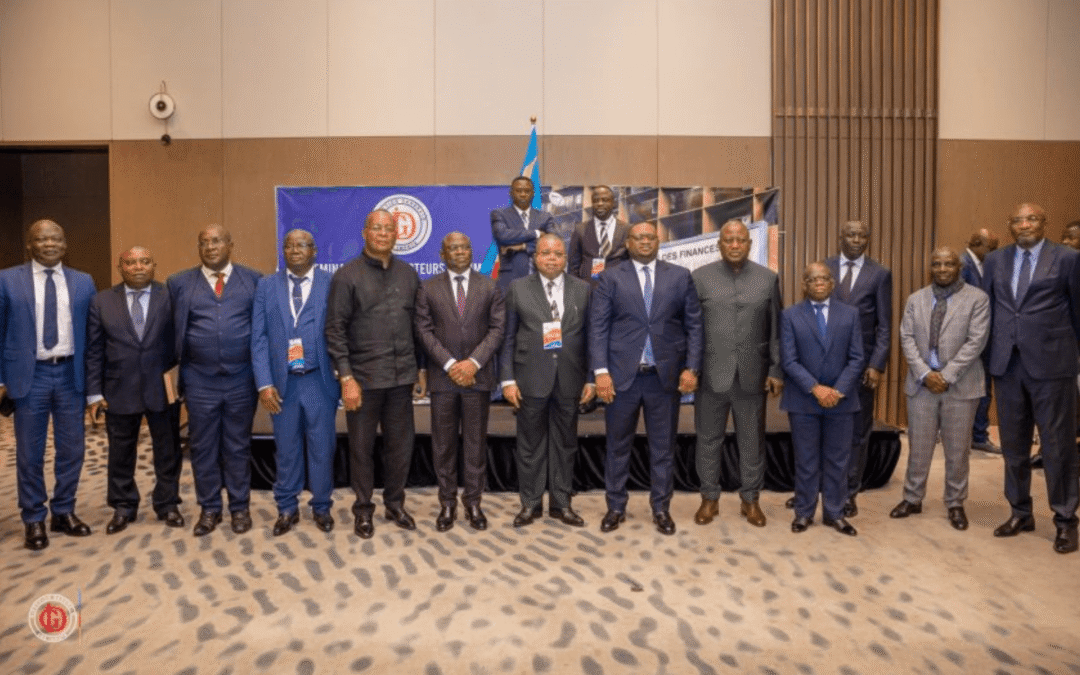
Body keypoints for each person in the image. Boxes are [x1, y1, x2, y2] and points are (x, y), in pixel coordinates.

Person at [591, 221, 702, 535]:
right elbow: (598, 328)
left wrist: (692, 368)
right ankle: (615, 507)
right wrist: (600, 372)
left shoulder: (680, 276)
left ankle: (661, 508)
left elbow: (695, 326)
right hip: (621, 378)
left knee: (663, 449)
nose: (644, 242)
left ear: (658, 241)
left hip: (664, 379)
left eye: (650, 237)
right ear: (628, 243)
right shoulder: (610, 277)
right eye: (638, 237)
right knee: (617, 447)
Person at [982, 203, 1080, 554]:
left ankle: (1065, 519)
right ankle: (1020, 512)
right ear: (1010, 225)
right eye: (1018, 220)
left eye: (1032, 219)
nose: (1025, 225)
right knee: (1013, 445)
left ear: (1044, 223)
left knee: (1057, 446)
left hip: (1052, 366)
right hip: (1007, 365)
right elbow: (990, 309)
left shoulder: (1067, 258)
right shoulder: (995, 260)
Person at [326, 209, 426, 539]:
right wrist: (346, 378)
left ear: (396, 235)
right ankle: (363, 509)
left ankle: (395, 504)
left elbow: (418, 327)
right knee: (361, 450)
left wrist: (420, 369)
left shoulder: (408, 274)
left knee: (401, 448)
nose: (383, 233)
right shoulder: (346, 276)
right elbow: (335, 330)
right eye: (377, 228)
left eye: (388, 229)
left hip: (401, 379)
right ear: (365, 232)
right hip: (363, 380)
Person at [0, 220, 96, 550]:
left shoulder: (84, 281)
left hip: (71, 374)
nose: (49, 244)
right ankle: (33, 517)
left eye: (56, 238)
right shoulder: (7, 279)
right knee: (30, 453)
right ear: (30, 245)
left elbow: (92, 335)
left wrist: (94, 384)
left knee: (73, 449)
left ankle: (64, 511)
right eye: (41, 239)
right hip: (31, 376)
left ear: (65, 244)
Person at [168, 224, 262, 537]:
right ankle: (209, 508)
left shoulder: (253, 280)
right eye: (204, 242)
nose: (210, 247)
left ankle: (239, 508)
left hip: (241, 379)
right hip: (199, 380)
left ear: (230, 245)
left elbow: (262, 331)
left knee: (237, 446)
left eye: (217, 241)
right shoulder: (179, 283)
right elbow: (170, 331)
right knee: (203, 447)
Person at [692, 220, 782, 528]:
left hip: (752, 376)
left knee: (752, 442)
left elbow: (776, 329)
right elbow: (692, 329)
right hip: (710, 375)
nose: (734, 245)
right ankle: (709, 498)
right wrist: (690, 369)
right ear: (719, 244)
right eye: (728, 240)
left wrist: (775, 368)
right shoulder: (700, 278)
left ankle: (751, 500)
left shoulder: (768, 279)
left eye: (740, 240)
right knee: (708, 440)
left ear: (749, 244)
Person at [86, 246, 183, 534]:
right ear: (120, 267)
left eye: (144, 261)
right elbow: (94, 350)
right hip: (118, 388)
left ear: (154, 265)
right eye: (130, 262)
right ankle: (123, 505)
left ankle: (167, 503)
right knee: (120, 452)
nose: (138, 267)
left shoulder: (171, 296)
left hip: (162, 387)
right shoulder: (101, 301)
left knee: (168, 450)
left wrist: (183, 381)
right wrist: (94, 393)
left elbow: (182, 341)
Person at [891, 247, 989, 530]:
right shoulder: (916, 299)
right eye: (937, 264)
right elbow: (907, 337)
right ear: (930, 267)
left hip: (961, 384)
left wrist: (945, 375)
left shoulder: (977, 299)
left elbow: (976, 341)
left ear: (959, 267)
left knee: (957, 451)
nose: (943, 269)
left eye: (949, 264)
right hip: (921, 385)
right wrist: (925, 374)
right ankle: (912, 498)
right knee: (918, 447)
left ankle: (955, 503)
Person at [501, 234, 595, 527]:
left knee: (565, 445)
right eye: (546, 253)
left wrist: (591, 378)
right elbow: (507, 338)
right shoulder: (517, 288)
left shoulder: (583, 289)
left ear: (565, 258)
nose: (552, 258)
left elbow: (592, 338)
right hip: (530, 378)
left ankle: (561, 504)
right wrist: (507, 380)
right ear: (535, 257)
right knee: (530, 445)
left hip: (570, 378)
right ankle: (530, 505)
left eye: (558, 253)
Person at [415, 232, 505, 532]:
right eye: (453, 248)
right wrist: (451, 364)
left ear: (471, 251)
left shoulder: (489, 286)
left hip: (477, 378)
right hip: (444, 379)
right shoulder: (427, 288)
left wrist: (472, 363)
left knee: (475, 444)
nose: (460, 252)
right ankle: (447, 503)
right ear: (443, 255)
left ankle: (473, 502)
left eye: (465, 247)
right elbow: (424, 331)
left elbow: (497, 329)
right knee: (443, 445)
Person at [251, 229, 339, 536]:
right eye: (288, 245)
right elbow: (259, 338)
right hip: (282, 384)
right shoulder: (266, 286)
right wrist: (264, 383)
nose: (294, 250)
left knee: (322, 448)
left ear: (314, 251)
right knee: (286, 449)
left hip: (319, 381)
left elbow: (342, 331)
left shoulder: (332, 283)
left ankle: (322, 506)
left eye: (301, 245)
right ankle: (287, 507)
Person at [780, 263, 864, 536]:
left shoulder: (850, 314)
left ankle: (835, 514)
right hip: (803, 400)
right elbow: (789, 360)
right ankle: (804, 513)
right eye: (812, 279)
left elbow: (857, 358)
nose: (819, 283)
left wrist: (837, 390)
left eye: (824, 278)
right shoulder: (790, 315)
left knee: (838, 461)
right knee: (806, 460)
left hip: (841, 400)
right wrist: (816, 389)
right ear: (804, 285)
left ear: (832, 283)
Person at [825, 220, 892, 517]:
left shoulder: (880, 274)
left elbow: (885, 326)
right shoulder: (824, 267)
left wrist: (876, 364)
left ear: (868, 239)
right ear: (841, 237)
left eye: (862, 235)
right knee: (823, 429)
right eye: (851, 234)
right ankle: (820, 487)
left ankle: (849, 492)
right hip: (825, 365)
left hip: (862, 367)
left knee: (856, 432)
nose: (856, 240)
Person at [960, 228, 1000, 453]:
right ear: (976, 242)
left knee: (983, 389)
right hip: (971, 340)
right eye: (991, 249)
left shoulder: (983, 264)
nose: (993, 254)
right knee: (977, 389)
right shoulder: (961, 264)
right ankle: (976, 436)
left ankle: (978, 435)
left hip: (984, 338)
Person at [491, 176, 555, 293]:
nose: (523, 194)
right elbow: (502, 235)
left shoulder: (545, 217)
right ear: (511, 193)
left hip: (540, 279)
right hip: (510, 280)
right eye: (519, 190)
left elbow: (552, 243)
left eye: (527, 191)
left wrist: (523, 246)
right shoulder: (499, 214)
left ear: (533, 193)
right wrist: (536, 233)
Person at [568, 185, 630, 286]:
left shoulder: (626, 229)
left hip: (618, 288)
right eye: (596, 200)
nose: (600, 204)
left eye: (605, 200)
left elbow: (631, 263)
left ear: (613, 203)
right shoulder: (580, 230)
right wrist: (576, 291)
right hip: (589, 289)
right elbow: (573, 266)